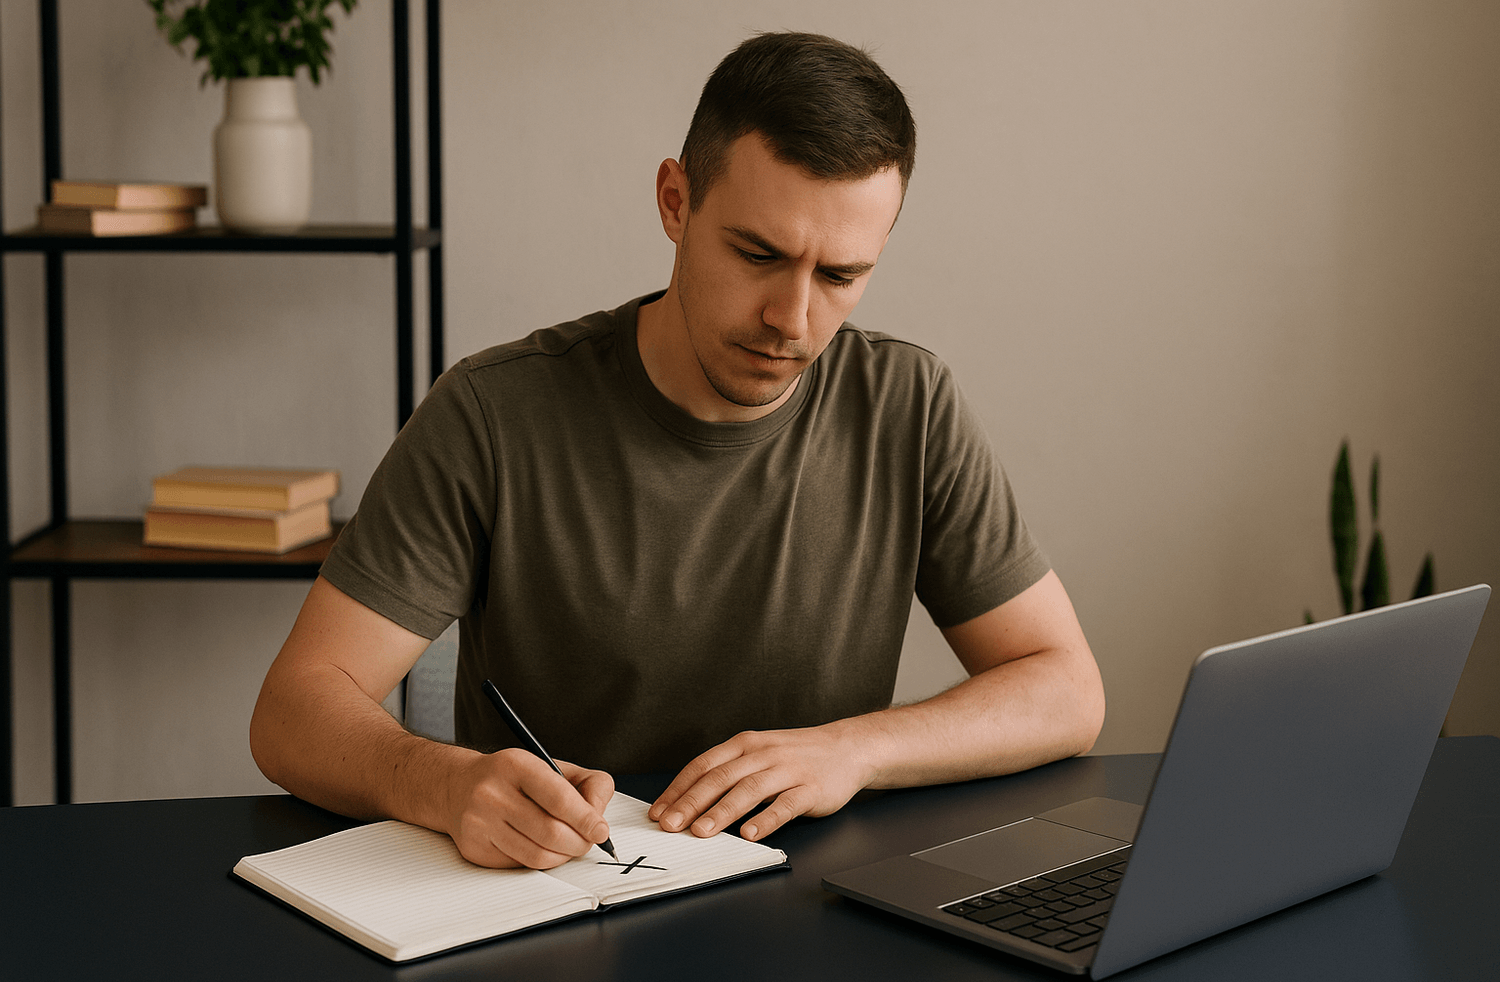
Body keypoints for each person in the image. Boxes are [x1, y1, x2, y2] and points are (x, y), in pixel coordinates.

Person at [250, 31, 1104, 872]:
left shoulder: (908, 406)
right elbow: (292, 712)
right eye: (758, 255)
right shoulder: (493, 413)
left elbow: (1065, 690)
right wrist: (444, 783)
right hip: (560, 903)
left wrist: (854, 750)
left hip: (815, 915)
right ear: (675, 201)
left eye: (840, 275)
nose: (792, 319)